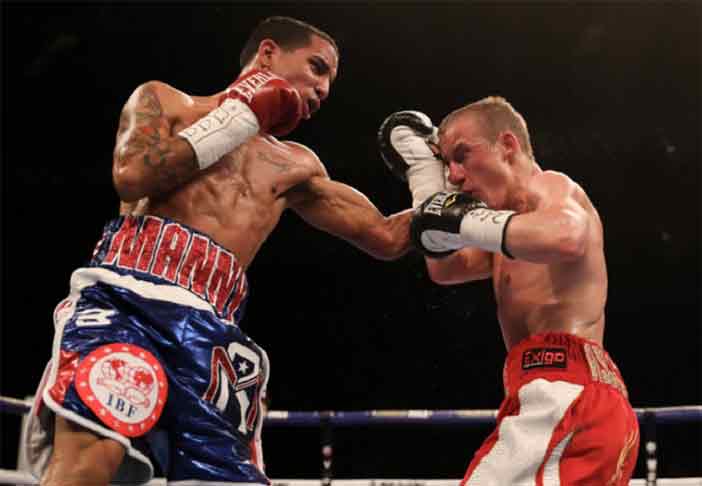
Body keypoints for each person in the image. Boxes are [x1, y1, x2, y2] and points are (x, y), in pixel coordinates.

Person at [23, 16, 414, 486]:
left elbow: (387, 238)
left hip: (212, 340)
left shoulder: (296, 166)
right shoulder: (167, 101)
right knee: (91, 462)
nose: (323, 87)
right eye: (316, 67)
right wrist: (241, 116)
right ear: (267, 53)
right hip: (126, 304)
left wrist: (436, 186)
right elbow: (132, 177)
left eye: (329, 79)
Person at [378, 98, 639, 485]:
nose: (455, 176)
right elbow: (444, 266)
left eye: (463, 156)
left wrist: (461, 216)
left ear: (508, 145)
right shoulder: (509, 235)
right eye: (447, 164)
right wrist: (424, 179)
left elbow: (567, 236)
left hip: (567, 398)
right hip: (565, 403)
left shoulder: (550, 187)